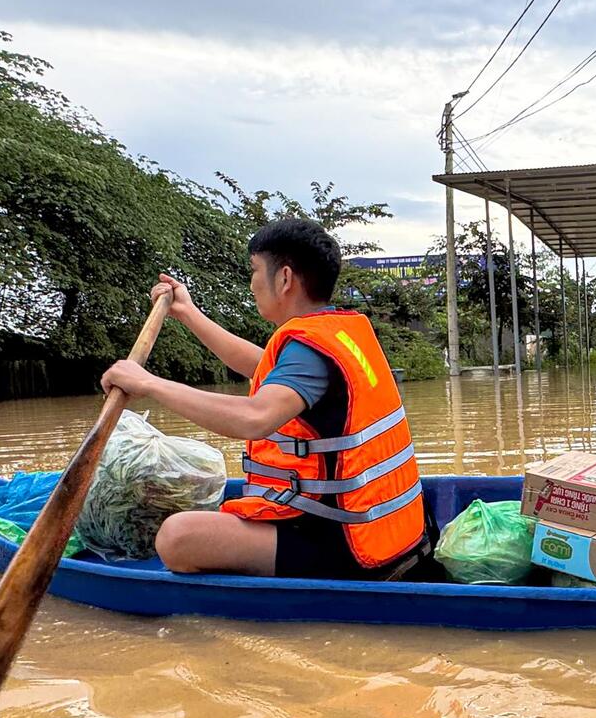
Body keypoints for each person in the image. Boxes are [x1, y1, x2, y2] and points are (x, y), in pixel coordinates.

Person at [100, 217, 426, 579]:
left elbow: (254, 418)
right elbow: (259, 366)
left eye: (255, 270)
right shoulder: (338, 333)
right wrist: (188, 313)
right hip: (387, 531)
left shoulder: (309, 349)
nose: (252, 283)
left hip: (345, 544)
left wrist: (149, 384)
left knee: (176, 537)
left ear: (284, 279)